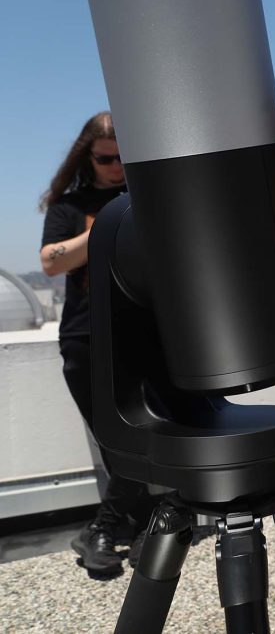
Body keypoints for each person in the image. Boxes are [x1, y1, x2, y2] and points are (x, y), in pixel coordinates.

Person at [39, 112, 151, 576]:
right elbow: (49, 263)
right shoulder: (71, 204)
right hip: (86, 339)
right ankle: (124, 525)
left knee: (143, 435)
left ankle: (117, 527)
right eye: (106, 159)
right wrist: (103, 225)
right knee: (115, 440)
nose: (116, 167)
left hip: (143, 336)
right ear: (88, 157)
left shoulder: (149, 197)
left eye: (124, 158)